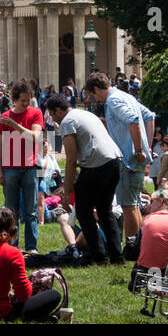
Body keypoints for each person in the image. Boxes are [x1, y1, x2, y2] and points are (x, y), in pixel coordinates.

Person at [43, 92, 123, 264]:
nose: (53, 120)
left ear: (58, 110)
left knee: (83, 212)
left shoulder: (67, 122)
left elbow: (71, 160)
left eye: (52, 116)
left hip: (96, 166)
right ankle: (117, 256)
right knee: (105, 211)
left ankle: (99, 256)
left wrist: (67, 193)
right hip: (115, 163)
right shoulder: (86, 114)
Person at [85, 70, 154, 242]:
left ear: (96, 89)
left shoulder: (113, 101)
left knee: (128, 206)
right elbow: (149, 116)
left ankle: (131, 247)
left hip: (128, 160)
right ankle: (138, 245)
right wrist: (147, 147)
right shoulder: (126, 96)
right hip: (136, 158)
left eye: (93, 95)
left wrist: (139, 150)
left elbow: (133, 121)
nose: (96, 100)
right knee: (133, 204)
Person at [0, 79, 44, 251]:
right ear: (14, 99)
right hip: (10, 168)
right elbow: (0, 146)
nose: (26, 103)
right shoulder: (4, 118)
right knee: (11, 211)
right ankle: (12, 247)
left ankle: (31, 247)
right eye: (23, 100)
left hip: (30, 167)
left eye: (28, 99)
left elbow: (34, 137)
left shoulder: (35, 113)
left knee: (31, 212)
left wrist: (15, 125)